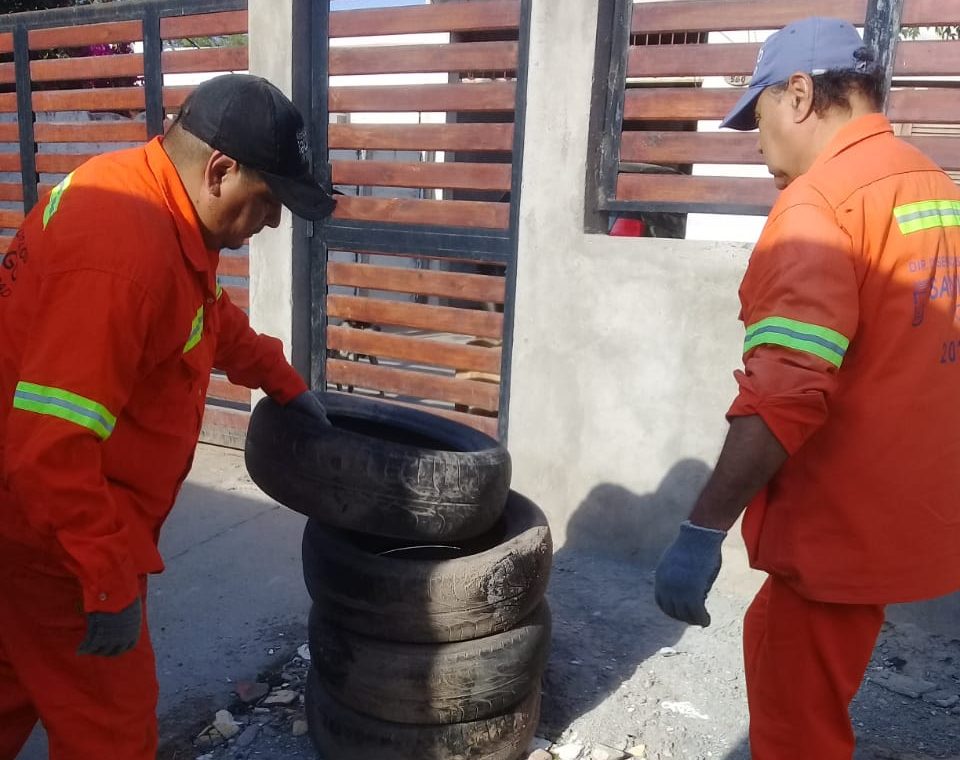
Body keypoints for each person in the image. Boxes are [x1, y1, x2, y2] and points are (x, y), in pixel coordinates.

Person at [0, 74, 334, 760]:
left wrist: (283, 383)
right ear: (220, 170)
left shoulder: (156, 207)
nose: (271, 222)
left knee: (12, 686)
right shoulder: (125, 253)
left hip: (35, 526)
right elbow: (49, 447)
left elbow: (205, 317)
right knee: (111, 736)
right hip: (49, 541)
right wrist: (105, 579)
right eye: (267, 201)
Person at [653, 17, 960, 759]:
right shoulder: (931, 183)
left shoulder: (820, 207)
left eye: (755, 119)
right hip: (909, 510)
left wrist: (701, 531)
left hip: (835, 527)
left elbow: (786, 389)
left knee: (796, 730)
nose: (758, 148)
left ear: (798, 96)